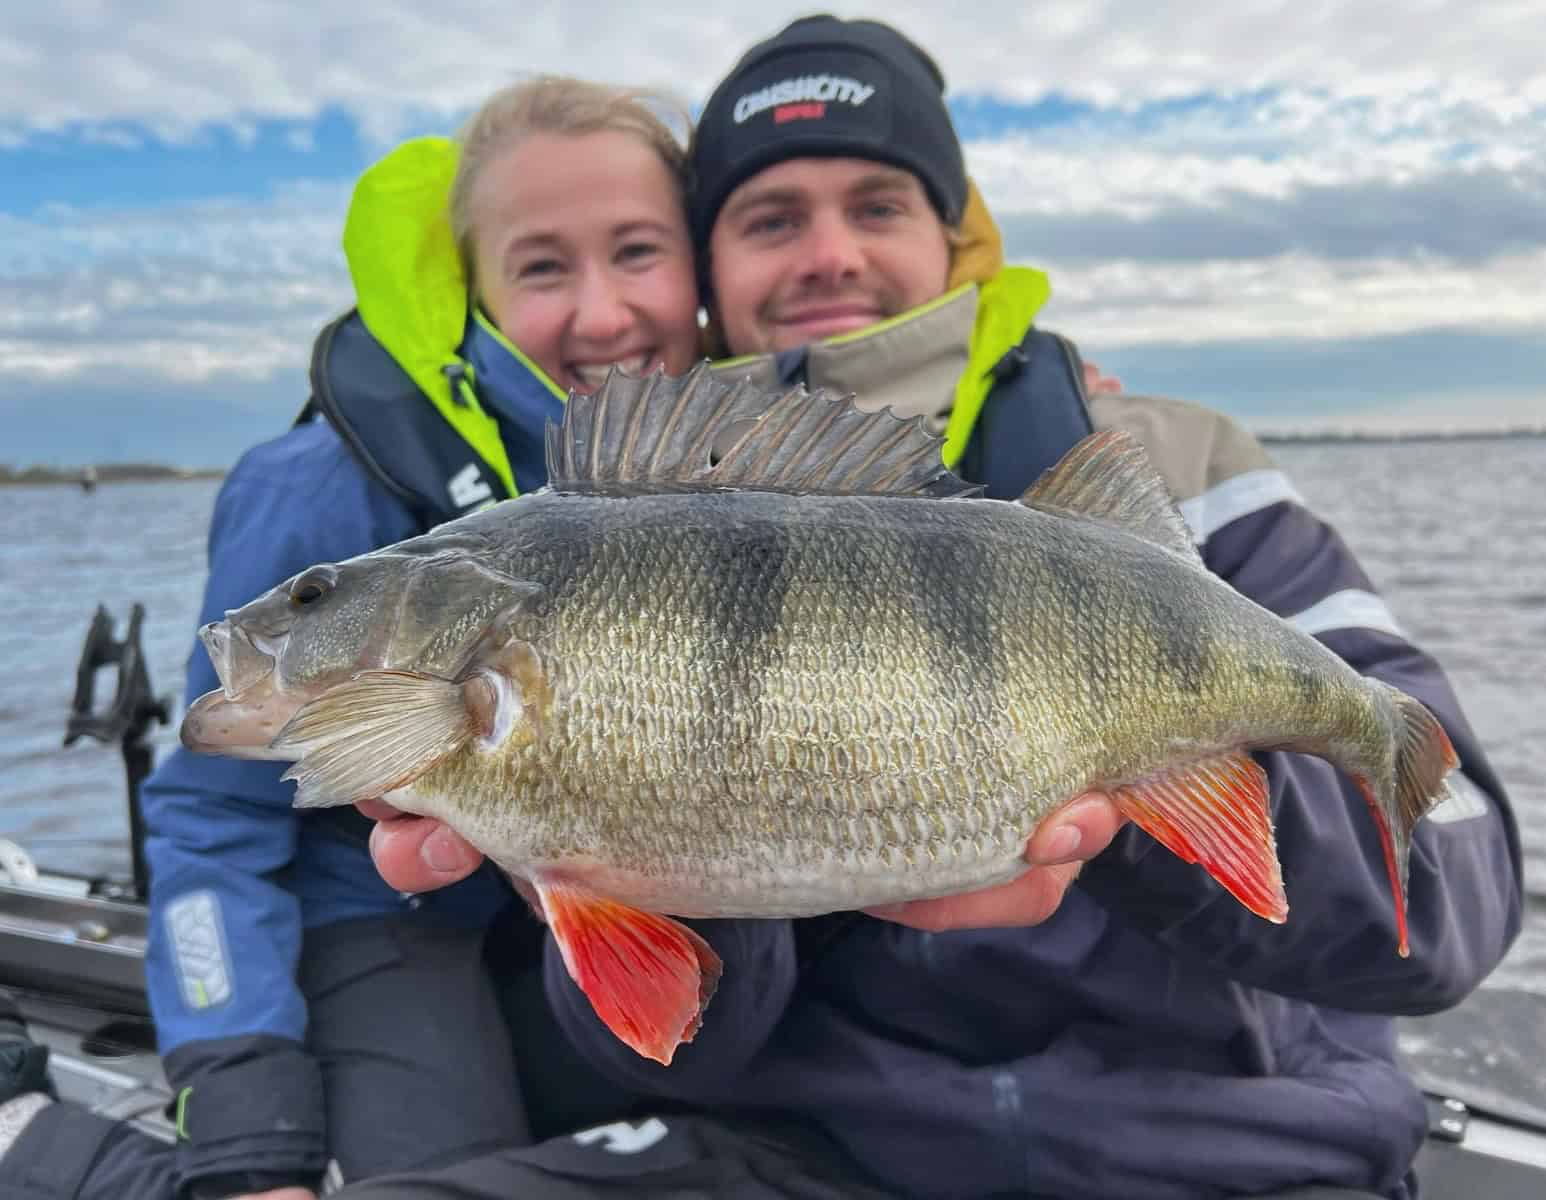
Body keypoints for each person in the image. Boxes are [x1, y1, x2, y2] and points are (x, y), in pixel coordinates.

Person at [354, 15, 1524, 1200]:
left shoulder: (1171, 463)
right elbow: (661, 1048)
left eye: (877, 206)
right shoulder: (632, 541)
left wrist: (1136, 801)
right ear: (710, 276)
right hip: (805, 1157)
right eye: (769, 221)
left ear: (955, 240)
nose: (827, 256)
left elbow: (1449, 899)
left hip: (1223, 1157)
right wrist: (615, 822)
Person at [0, 75, 702, 1200]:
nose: (602, 312)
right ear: (471, 288)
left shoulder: (724, 467)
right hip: (388, 916)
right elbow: (210, 817)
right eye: (540, 266)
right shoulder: (322, 489)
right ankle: (53, 1145)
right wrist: (242, 1104)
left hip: (583, 910)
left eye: (638, 251)